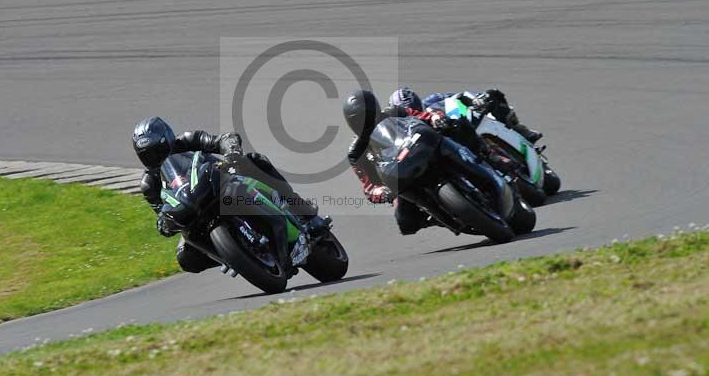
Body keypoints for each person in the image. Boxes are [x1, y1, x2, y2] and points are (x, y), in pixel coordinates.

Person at [132, 116, 321, 273]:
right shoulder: (149, 184)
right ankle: (233, 257)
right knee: (185, 257)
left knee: (255, 161)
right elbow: (161, 213)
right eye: (147, 155)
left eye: (158, 150)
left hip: (220, 182)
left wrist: (232, 152)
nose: (156, 158)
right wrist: (163, 224)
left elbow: (224, 139)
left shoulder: (188, 141)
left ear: (169, 139)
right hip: (193, 212)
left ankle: (303, 211)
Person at [344, 90, 489, 236]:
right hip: (399, 177)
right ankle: (442, 216)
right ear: (351, 122)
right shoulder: (356, 152)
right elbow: (369, 186)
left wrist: (434, 118)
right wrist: (381, 192)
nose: (365, 121)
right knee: (405, 222)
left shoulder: (393, 112)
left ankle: (487, 155)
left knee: (457, 126)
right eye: (358, 119)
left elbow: (420, 115)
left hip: (420, 151)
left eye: (367, 114)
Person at [389, 87, 542, 143]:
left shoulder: (432, 100)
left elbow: (459, 95)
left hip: (467, 119)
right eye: (407, 109)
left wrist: (476, 98)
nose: (412, 110)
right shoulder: (409, 129)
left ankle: (522, 131)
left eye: (412, 106)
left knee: (492, 94)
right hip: (454, 139)